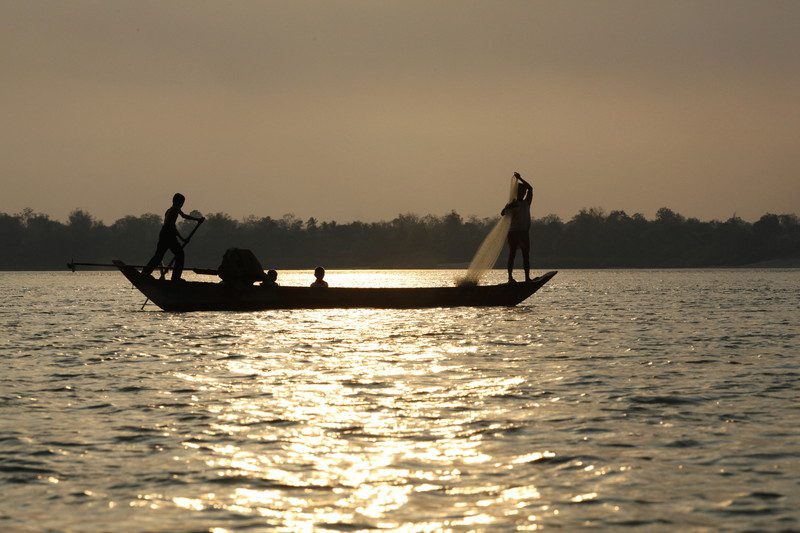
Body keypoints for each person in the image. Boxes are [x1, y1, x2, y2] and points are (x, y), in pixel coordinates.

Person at [142, 193, 204, 281]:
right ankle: (175, 277)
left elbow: (181, 217)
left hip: (165, 234)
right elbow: (173, 225)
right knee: (179, 254)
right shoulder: (173, 210)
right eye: (181, 202)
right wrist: (183, 238)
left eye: (182, 203)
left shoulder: (171, 210)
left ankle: (145, 272)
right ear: (175, 201)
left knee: (159, 256)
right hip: (168, 235)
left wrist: (196, 220)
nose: (182, 205)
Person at [501, 172, 533, 283]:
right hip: (513, 232)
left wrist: (520, 178)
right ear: (517, 192)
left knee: (525, 255)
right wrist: (509, 206)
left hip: (524, 232)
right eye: (521, 191)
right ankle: (510, 278)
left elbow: (530, 188)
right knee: (512, 254)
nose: (523, 193)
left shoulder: (526, 202)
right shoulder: (512, 204)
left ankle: (527, 278)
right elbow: (502, 213)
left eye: (524, 192)